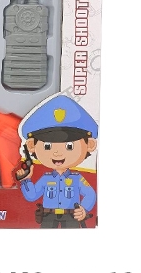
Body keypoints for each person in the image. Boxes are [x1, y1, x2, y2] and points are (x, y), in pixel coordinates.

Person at [16, 95, 97, 228]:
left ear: (90, 145)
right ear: (31, 146)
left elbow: (90, 194)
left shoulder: (77, 178)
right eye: (47, 146)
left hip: (71, 216)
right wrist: (26, 180)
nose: (57, 153)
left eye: (69, 146)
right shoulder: (46, 178)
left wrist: (84, 209)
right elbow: (32, 196)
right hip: (48, 217)